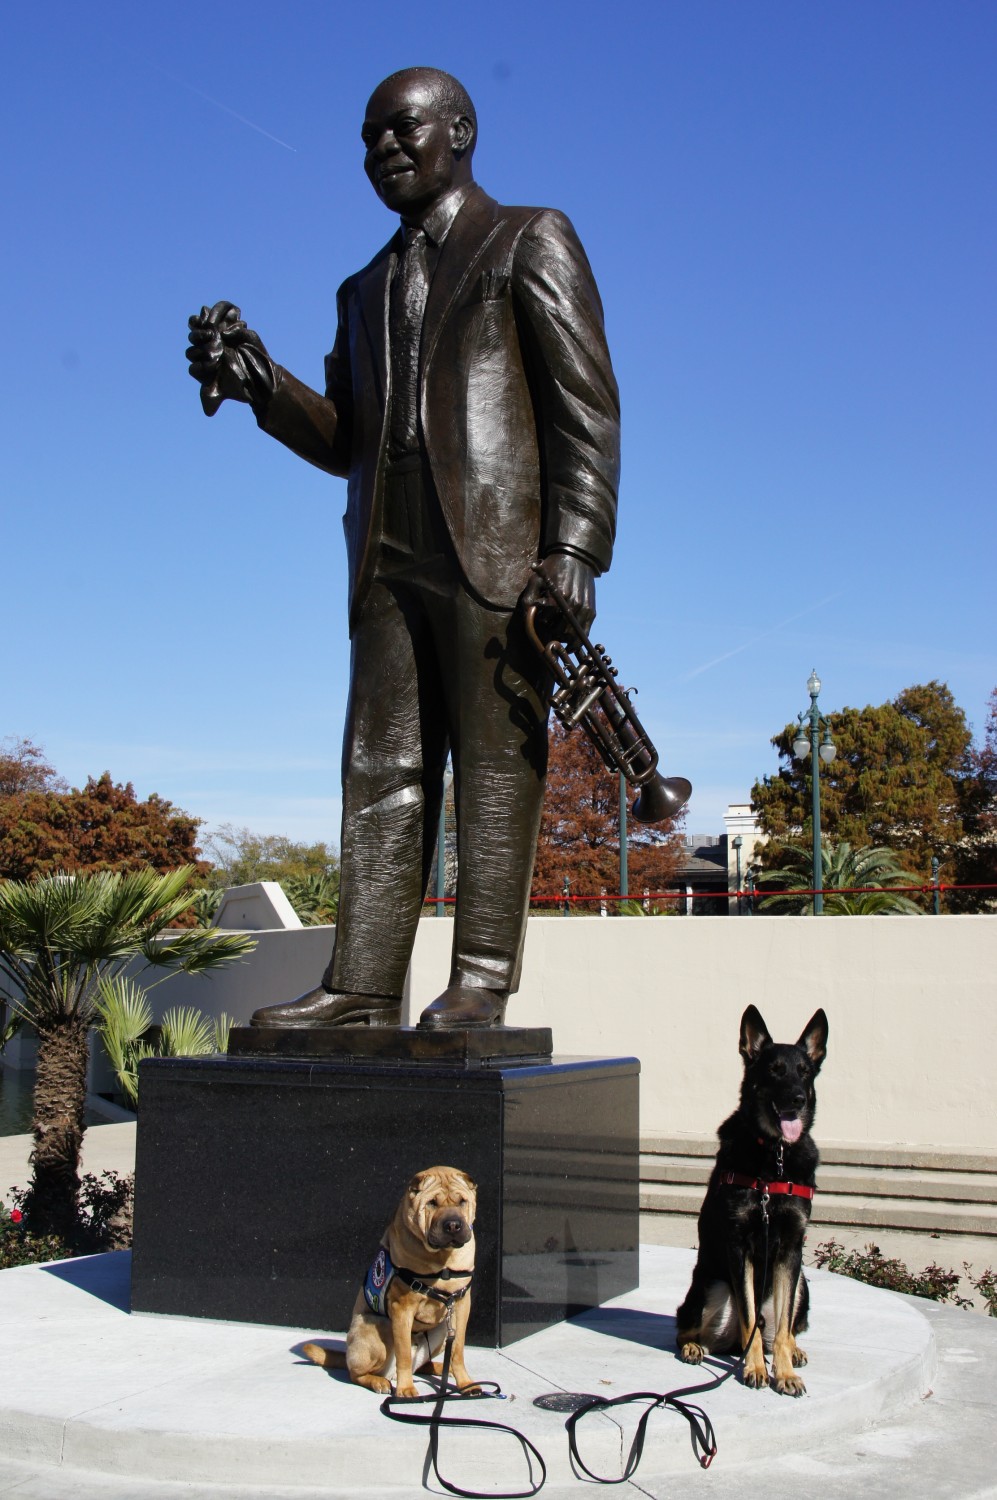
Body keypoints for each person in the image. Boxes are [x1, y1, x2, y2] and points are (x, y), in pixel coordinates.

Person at [186, 66, 620, 1030]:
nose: (380, 149)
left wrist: (576, 546)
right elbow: (344, 437)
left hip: (499, 551)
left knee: (497, 764)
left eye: (401, 129)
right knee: (378, 765)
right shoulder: (362, 286)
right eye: (367, 137)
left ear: (460, 130)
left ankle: (480, 981)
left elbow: (582, 404)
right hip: (386, 547)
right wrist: (263, 384)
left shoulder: (527, 238)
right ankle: (364, 984)